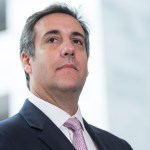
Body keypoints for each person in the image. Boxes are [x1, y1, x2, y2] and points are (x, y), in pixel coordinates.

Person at [0, 3, 133, 150]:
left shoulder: (119, 146)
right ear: (27, 61)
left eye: (77, 41)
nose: (69, 49)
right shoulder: (5, 138)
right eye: (52, 39)